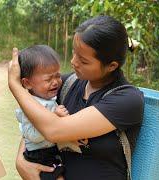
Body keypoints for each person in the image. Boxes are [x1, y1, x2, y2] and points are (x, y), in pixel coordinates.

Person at [8, 15, 144, 180]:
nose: (73, 62)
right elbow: (35, 119)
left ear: (111, 66)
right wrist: (22, 158)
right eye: (74, 53)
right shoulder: (67, 84)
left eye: (84, 61)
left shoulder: (127, 100)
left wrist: (15, 85)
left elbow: (53, 130)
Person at [16, 45, 70, 180]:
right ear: (27, 83)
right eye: (48, 79)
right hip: (39, 156)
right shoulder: (30, 107)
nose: (56, 82)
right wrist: (54, 117)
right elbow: (32, 136)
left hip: (51, 151)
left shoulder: (49, 98)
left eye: (58, 75)